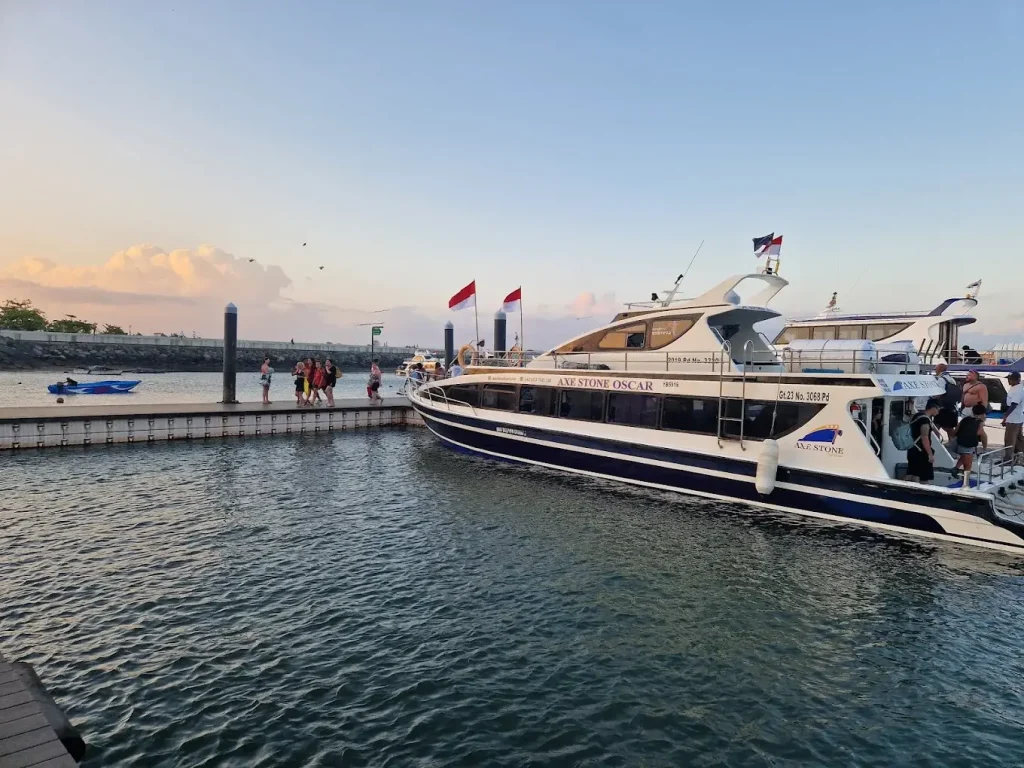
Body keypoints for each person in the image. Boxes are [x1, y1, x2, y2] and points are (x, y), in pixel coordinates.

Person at [951, 403, 988, 484]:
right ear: (982, 414)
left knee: (965, 455)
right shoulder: (980, 423)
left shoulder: (965, 419)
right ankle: (966, 484)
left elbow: (955, 431)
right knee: (968, 465)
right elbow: (980, 434)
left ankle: (956, 468)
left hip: (957, 443)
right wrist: (984, 447)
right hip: (967, 444)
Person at [905, 399, 940, 484]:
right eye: (938, 409)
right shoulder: (924, 420)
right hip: (921, 451)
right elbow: (924, 437)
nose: (939, 412)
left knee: (913, 472)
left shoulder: (917, 415)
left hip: (912, 448)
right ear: (933, 408)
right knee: (923, 476)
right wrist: (930, 454)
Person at [933, 363, 959, 440]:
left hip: (942, 407)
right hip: (952, 407)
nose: (935, 370)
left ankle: (937, 443)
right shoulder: (951, 379)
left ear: (939, 369)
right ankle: (953, 445)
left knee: (936, 427)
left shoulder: (941, 379)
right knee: (950, 429)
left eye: (936, 369)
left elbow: (939, 393)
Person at [1002, 371, 1024, 458]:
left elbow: (1014, 404)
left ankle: (1008, 458)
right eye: (1009, 379)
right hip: (1017, 418)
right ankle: (1019, 456)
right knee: (1019, 438)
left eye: (1011, 379)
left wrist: (1005, 417)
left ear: (1017, 380)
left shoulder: (1017, 390)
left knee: (1009, 439)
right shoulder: (1015, 387)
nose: (1009, 381)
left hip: (1013, 419)